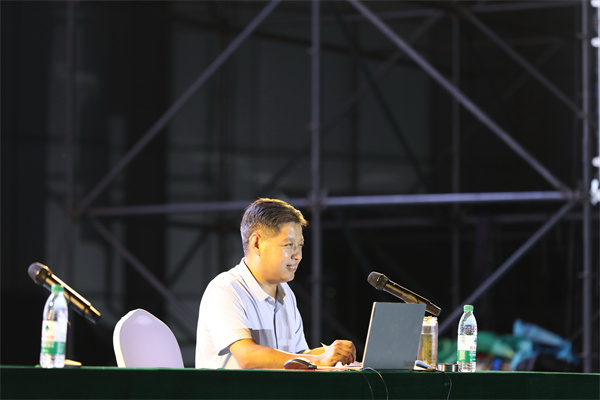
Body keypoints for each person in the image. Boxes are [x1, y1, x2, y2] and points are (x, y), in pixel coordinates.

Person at [195, 198, 356, 369]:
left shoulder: (286, 293)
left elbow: (298, 354)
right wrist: (319, 360)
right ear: (256, 244)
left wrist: (333, 353)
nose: (298, 255)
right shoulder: (226, 290)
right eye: (289, 245)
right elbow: (248, 356)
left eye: (300, 245)